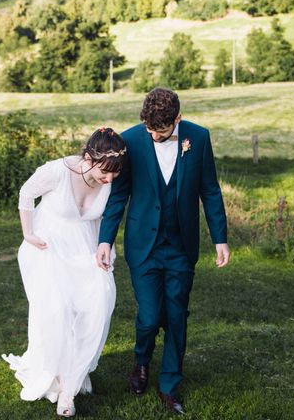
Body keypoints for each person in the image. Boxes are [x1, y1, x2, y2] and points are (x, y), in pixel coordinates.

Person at [96, 87, 230, 415]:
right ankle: (141, 361)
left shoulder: (198, 138)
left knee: (176, 315)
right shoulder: (132, 140)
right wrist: (105, 239)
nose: (155, 136)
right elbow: (119, 195)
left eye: (162, 131)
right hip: (144, 247)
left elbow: (210, 190)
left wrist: (220, 238)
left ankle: (169, 385)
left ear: (178, 120)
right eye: (150, 130)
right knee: (149, 315)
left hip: (182, 247)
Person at [2, 127, 127, 418]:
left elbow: (104, 217)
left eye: (114, 174)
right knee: (57, 312)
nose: (109, 179)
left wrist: (104, 247)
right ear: (88, 157)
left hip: (86, 250)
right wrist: (28, 233)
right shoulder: (57, 171)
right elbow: (26, 193)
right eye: (104, 172)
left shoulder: (108, 177)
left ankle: (75, 374)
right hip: (49, 249)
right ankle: (64, 390)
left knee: (99, 303)